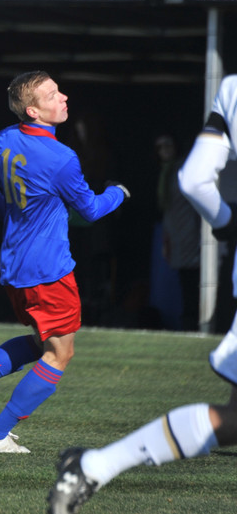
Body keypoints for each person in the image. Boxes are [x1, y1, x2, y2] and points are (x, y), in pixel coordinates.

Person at [47, 76, 237, 513]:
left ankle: (94, 466)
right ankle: (94, 465)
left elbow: (194, 180)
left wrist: (228, 224)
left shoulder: (232, 87)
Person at [0, 71, 128, 453]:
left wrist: (17, 217)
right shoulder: (61, 158)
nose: (63, 97)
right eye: (52, 95)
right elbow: (90, 209)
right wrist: (117, 193)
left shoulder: (5, 138)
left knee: (43, 344)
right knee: (60, 353)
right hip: (48, 271)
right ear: (33, 111)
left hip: (15, 267)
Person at [154, 133, 201, 330]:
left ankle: (193, 320)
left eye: (167, 145)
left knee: (191, 278)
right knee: (183, 279)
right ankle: (187, 319)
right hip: (174, 232)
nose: (164, 150)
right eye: (160, 147)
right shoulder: (166, 170)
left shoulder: (184, 168)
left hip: (189, 229)